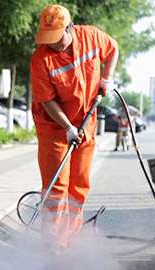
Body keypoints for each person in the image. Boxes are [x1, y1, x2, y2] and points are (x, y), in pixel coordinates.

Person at [30, 4, 118, 249]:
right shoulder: (41, 58)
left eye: (58, 38)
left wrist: (107, 78)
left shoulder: (91, 36)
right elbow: (46, 100)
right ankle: (53, 246)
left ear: (70, 28)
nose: (54, 44)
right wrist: (68, 127)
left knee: (78, 186)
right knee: (57, 187)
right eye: (49, 38)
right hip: (54, 128)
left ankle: (71, 240)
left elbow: (113, 50)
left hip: (86, 122)